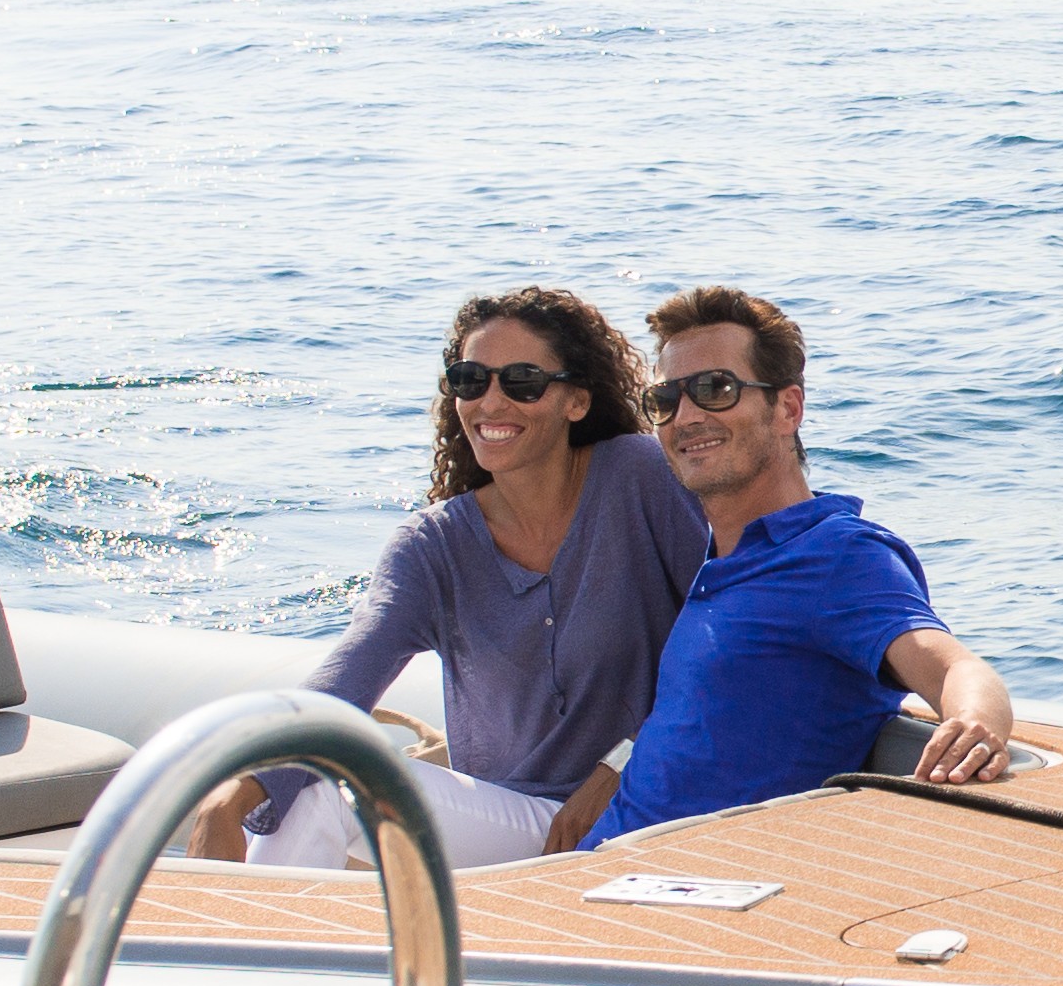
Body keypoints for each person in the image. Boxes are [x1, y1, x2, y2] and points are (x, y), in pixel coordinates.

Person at [195, 287, 704, 873]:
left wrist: (621, 766)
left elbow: (721, 645)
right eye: (470, 380)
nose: (491, 402)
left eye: (522, 381)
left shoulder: (639, 478)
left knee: (330, 795)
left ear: (577, 401)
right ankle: (231, 923)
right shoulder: (433, 547)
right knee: (316, 786)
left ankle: (234, 923)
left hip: (655, 804)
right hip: (517, 828)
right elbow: (347, 681)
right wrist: (230, 796)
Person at [563, 285, 1015, 849]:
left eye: (715, 389)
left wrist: (974, 724)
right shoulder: (725, 558)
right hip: (593, 868)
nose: (687, 416)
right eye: (665, 399)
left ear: (788, 409)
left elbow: (952, 667)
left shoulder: (836, 555)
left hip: (674, 884)